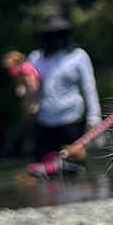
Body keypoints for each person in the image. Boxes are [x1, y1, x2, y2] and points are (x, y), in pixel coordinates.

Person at [27, 15, 102, 164]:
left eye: (58, 35)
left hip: (71, 120)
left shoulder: (78, 56)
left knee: (74, 166)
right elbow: (28, 89)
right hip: (44, 122)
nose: (55, 39)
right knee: (44, 168)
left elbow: (89, 87)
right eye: (50, 36)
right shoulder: (35, 58)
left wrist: (94, 117)